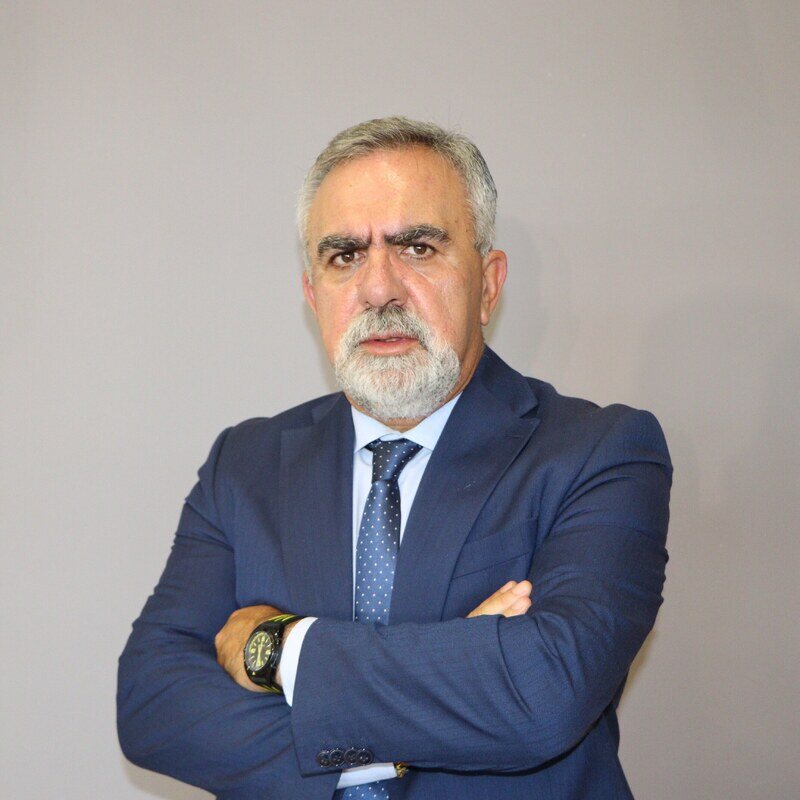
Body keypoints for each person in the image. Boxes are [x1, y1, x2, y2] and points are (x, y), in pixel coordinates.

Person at [117, 116, 672, 800]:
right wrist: (439, 697)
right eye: (345, 255)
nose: (379, 289)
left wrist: (278, 647)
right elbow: (152, 704)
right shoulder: (245, 463)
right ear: (312, 294)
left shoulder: (600, 453)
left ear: (489, 284)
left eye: (417, 247)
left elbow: (543, 691)